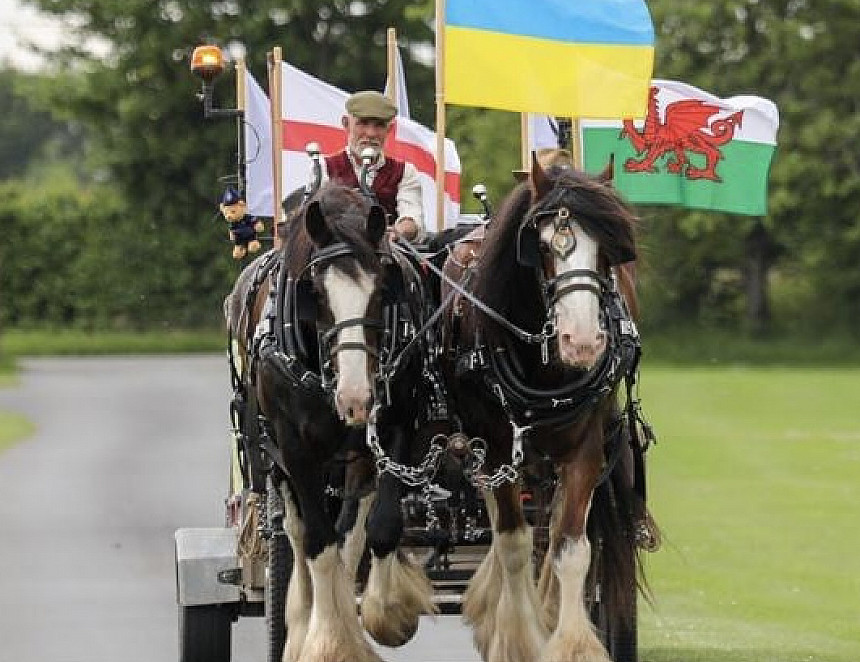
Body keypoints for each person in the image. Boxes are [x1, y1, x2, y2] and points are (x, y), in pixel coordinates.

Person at [320, 90, 424, 241]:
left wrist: (398, 232)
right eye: (362, 123)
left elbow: (412, 218)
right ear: (346, 124)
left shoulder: (405, 172)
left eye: (379, 126)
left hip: (387, 255)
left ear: (389, 129)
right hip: (339, 254)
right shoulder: (325, 168)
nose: (371, 133)